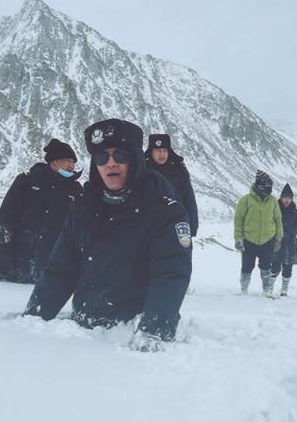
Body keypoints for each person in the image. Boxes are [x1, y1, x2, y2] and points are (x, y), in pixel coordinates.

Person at [24, 119, 192, 351]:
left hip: (133, 336)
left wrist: (153, 333)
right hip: (83, 332)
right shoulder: (82, 208)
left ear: (134, 160)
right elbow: (61, 270)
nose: (111, 163)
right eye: (102, 158)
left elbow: (170, 274)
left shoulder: (165, 211)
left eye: (120, 156)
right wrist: (33, 317)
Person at [0, 139, 83, 283]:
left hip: (46, 268)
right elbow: (6, 216)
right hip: (8, 262)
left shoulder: (76, 190)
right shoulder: (27, 181)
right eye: (66, 160)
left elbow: (78, 228)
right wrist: (5, 250)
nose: (71, 165)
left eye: (73, 161)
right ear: (53, 161)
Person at [234, 170, 283, 296]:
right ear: (259, 186)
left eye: (270, 187)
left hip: (268, 240)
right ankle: (244, 289)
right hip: (249, 240)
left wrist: (278, 238)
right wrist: (238, 238)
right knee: (246, 267)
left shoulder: (272, 201)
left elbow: (278, 220)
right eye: (266, 187)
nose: (269, 190)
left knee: (266, 267)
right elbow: (239, 219)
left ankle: (266, 291)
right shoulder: (246, 200)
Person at [145, 134, 198, 237]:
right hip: (150, 226)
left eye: (164, 151)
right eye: (158, 151)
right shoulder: (143, 170)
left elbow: (189, 198)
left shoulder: (179, 170)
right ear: (151, 152)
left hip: (177, 223)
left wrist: (192, 225)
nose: (162, 154)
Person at [268, 184, 297, 297]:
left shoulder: (295, 212)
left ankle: (284, 290)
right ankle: (269, 289)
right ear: (281, 198)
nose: (287, 200)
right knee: (274, 267)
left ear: (291, 199)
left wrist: (290, 231)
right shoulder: (275, 209)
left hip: (290, 244)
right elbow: (270, 223)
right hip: (277, 243)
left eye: (289, 198)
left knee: (288, 269)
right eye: (285, 198)